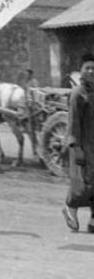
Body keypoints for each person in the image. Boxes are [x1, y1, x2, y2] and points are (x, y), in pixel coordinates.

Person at [62, 53, 94, 233]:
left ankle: (93, 221)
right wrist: (76, 147)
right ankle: (70, 208)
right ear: (81, 71)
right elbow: (73, 122)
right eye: (87, 68)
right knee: (84, 184)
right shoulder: (77, 94)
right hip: (83, 146)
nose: (91, 71)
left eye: (93, 69)